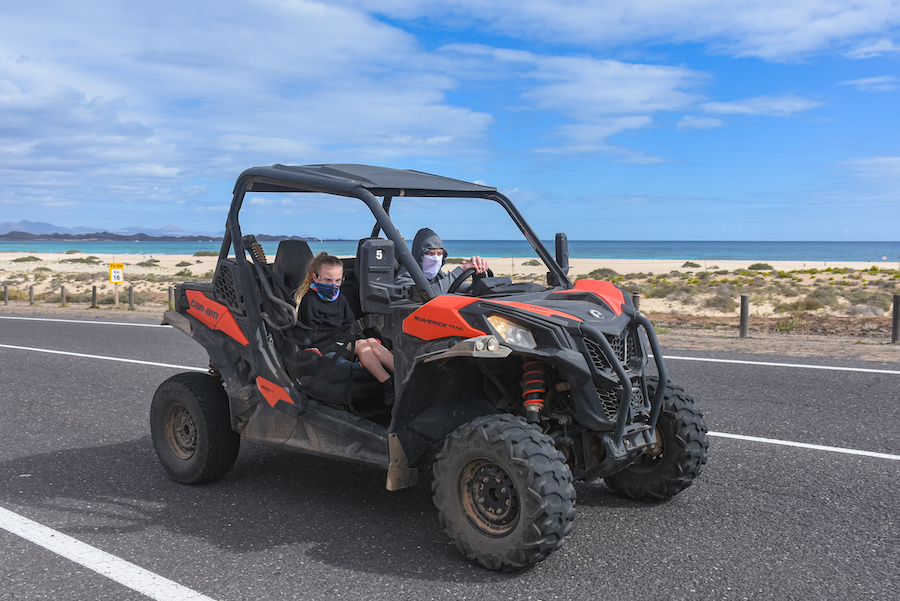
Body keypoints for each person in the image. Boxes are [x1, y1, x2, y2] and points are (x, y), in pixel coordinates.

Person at [295, 252, 395, 401]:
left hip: (342, 338)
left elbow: (349, 322)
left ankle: (402, 376)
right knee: (362, 345)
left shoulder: (340, 298)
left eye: (338, 280)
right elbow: (313, 333)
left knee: (372, 341)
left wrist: (355, 336)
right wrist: (350, 340)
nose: (333, 285)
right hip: (324, 343)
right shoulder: (310, 300)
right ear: (316, 278)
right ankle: (388, 383)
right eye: (328, 280)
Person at [395, 228, 490, 294]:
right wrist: (461, 269)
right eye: (431, 253)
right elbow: (430, 294)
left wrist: (478, 276)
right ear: (419, 256)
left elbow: (467, 290)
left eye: (439, 254)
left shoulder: (440, 276)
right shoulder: (405, 277)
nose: (436, 258)